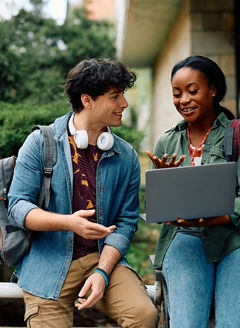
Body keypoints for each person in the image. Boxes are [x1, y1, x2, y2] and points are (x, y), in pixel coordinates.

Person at [8, 58, 158, 328]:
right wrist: (69, 223)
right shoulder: (40, 143)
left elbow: (126, 223)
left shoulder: (126, 156)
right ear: (87, 100)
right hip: (47, 264)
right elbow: (17, 207)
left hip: (102, 258)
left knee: (144, 316)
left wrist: (102, 271)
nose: (124, 103)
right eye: (115, 96)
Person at [146, 55, 240, 328]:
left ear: (213, 90)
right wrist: (164, 188)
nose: (184, 100)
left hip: (239, 240)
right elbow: (157, 206)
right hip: (186, 239)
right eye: (177, 94)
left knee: (235, 324)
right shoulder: (167, 141)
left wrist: (217, 218)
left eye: (193, 91)